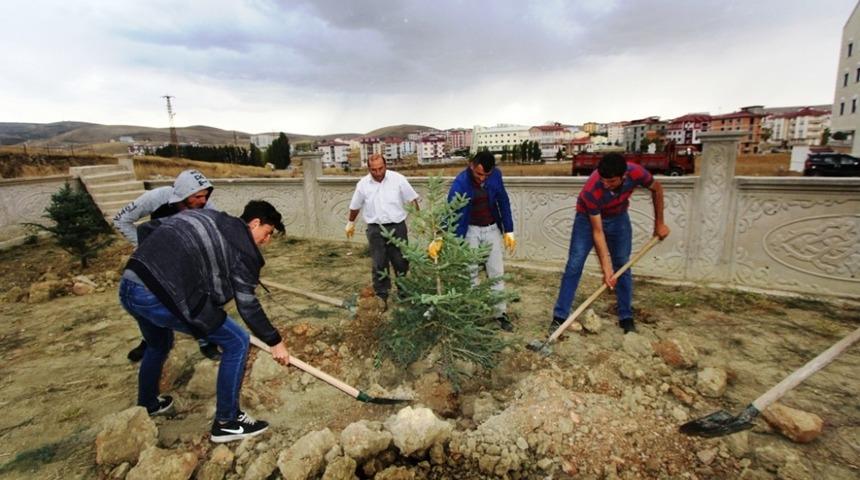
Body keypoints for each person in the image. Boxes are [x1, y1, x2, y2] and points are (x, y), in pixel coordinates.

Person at [118, 200, 289, 443]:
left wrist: (164, 267)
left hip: (129, 285)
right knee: (237, 341)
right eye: (268, 232)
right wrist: (275, 341)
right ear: (255, 223)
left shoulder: (208, 216)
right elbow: (247, 305)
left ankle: (148, 403)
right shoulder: (243, 251)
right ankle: (227, 422)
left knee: (159, 343)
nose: (266, 240)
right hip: (156, 297)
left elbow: (147, 229)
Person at [551, 153, 670, 335]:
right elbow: (598, 232)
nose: (606, 185)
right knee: (575, 263)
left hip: (619, 217)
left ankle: (625, 316)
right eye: (604, 180)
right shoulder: (592, 189)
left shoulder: (637, 173)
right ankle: (560, 316)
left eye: (612, 181)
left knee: (622, 263)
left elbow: (657, 189)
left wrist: (659, 223)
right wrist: (606, 270)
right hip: (586, 219)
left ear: (624, 176)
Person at [113, 169, 221, 361]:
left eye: (205, 196)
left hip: (187, 259)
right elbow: (121, 220)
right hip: (155, 262)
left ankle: (205, 341)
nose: (203, 201)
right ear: (184, 194)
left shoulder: (207, 207)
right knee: (153, 301)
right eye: (197, 196)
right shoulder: (158, 197)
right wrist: (145, 247)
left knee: (198, 298)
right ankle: (149, 340)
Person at [448, 151, 516, 331]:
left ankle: (499, 313)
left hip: (491, 228)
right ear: (471, 165)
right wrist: (442, 237)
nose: (482, 178)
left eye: (486, 175)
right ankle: (474, 311)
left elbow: (503, 201)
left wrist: (509, 230)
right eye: (479, 174)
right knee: (470, 272)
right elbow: (451, 212)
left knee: (497, 271)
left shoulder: (496, 176)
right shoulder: (460, 183)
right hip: (470, 230)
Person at [345, 154, 420, 310]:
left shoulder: (398, 179)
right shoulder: (363, 185)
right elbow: (355, 206)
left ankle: (404, 294)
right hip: (375, 230)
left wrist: (419, 219)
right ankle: (381, 296)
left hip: (397, 227)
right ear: (369, 169)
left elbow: (412, 199)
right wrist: (350, 222)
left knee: (401, 261)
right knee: (379, 263)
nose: (378, 172)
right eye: (374, 170)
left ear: (385, 165)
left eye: (381, 168)